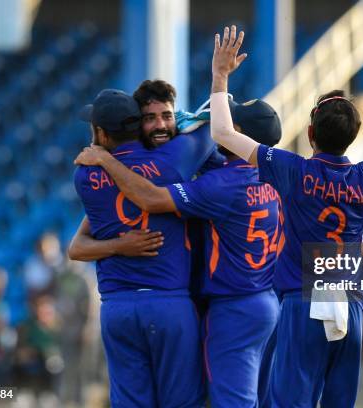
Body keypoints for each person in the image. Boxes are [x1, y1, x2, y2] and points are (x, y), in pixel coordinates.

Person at [208, 26, 363, 407]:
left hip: (302, 300)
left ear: (310, 132)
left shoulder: (292, 169)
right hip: (350, 302)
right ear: (355, 135)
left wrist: (220, 75)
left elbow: (223, 132)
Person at [75, 97, 283, 407]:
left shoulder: (83, 175)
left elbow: (148, 201)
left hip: (197, 306)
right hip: (258, 301)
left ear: (102, 135)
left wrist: (106, 161)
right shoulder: (281, 175)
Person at [71, 88, 215, 407]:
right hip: (169, 304)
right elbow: (214, 126)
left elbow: (78, 245)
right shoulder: (174, 159)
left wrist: (117, 245)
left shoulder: (84, 174)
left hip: (117, 307)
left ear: (100, 133)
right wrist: (178, 121)